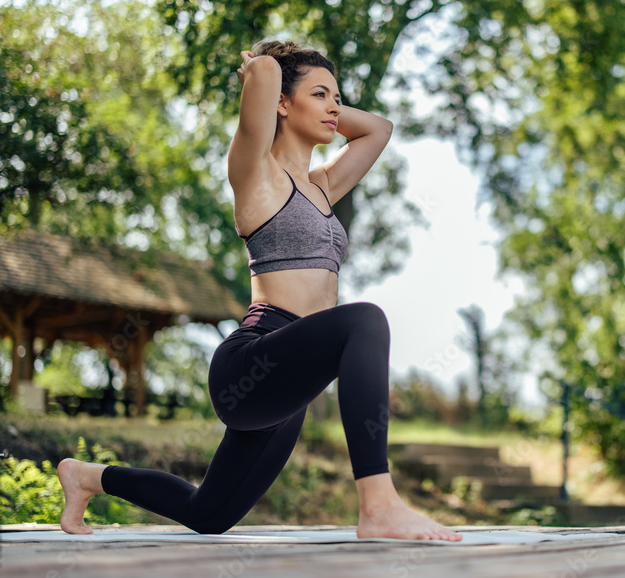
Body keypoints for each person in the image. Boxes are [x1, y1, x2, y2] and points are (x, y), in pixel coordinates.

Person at [56, 40, 463, 541]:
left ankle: (87, 477)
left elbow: (380, 129)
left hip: (290, 382)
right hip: (253, 361)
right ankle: (377, 504)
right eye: (320, 94)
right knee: (365, 320)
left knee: (209, 514)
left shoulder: (323, 187)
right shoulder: (256, 176)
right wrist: (267, 67)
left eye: (339, 97)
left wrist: (323, 102)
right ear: (281, 103)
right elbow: (268, 72)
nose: (335, 107)